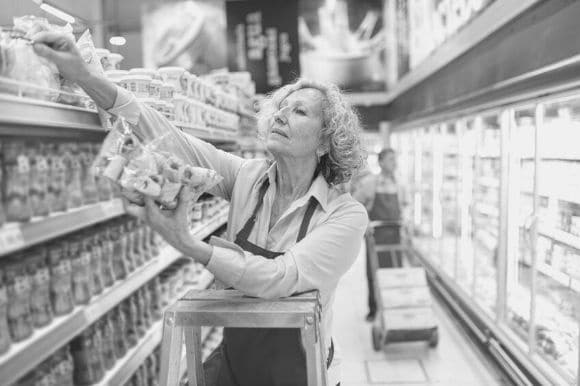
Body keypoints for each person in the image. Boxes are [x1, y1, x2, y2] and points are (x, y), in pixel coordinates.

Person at [32, 32, 368, 386]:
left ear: (325, 142)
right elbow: (172, 140)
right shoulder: (247, 178)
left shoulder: (344, 215)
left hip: (302, 374)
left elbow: (280, 278)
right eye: (281, 109)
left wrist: (191, 244)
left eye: (298, 112)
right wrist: (85, 76)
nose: (281, 116)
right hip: (236, 365)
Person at [353, 148, 408, 321]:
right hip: (376, 235)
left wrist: (406, 220)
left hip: (395, 234)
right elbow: (355, 203)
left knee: (394, 271)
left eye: (395, 159)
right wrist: (366, 223)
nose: (395, 163)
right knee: (373, 273)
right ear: (381, 162)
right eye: (391, 159)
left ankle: (393, 306)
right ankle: (374, 309)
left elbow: (405, 205)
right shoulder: (371, 183)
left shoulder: (399, 184)